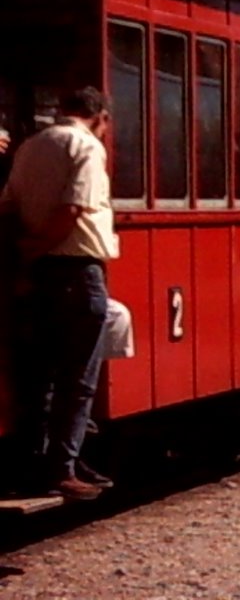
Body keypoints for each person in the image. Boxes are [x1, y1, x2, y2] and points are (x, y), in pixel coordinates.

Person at [0, 86, 119, 500]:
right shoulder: (85, 146)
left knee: (37, 378)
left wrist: (24, 256)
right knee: (77, 379)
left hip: (34, 276)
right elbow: (72, 210)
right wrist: (39, 248)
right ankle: (62, 470)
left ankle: (32, 464)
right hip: (75, 271)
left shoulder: (30, 146)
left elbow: (9, 207)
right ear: (100, 117)